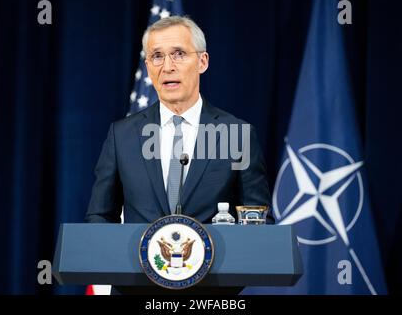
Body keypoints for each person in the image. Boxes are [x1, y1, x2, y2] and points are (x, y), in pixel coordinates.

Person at [85, 16, 274, 294]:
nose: (168, 67)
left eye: (179, 54)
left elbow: (258, 221)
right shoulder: (122, 135)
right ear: (147, 66)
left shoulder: (237, 134)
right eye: (157, 56)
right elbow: (100, 217)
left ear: (202, 62)